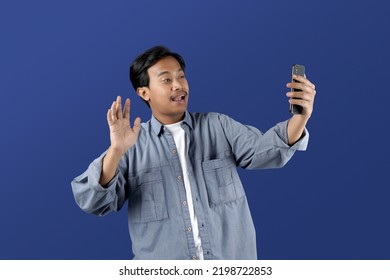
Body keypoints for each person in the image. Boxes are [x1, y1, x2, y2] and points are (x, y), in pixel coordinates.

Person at [71, 45, 316, 260]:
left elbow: (267, 152)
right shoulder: (131, 144)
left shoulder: (218, 126)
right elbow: (93, 201)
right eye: (166, 80)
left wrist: (301, 117)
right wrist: (116, 150)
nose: (178, 85)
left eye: (181, 76)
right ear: (144, 92)